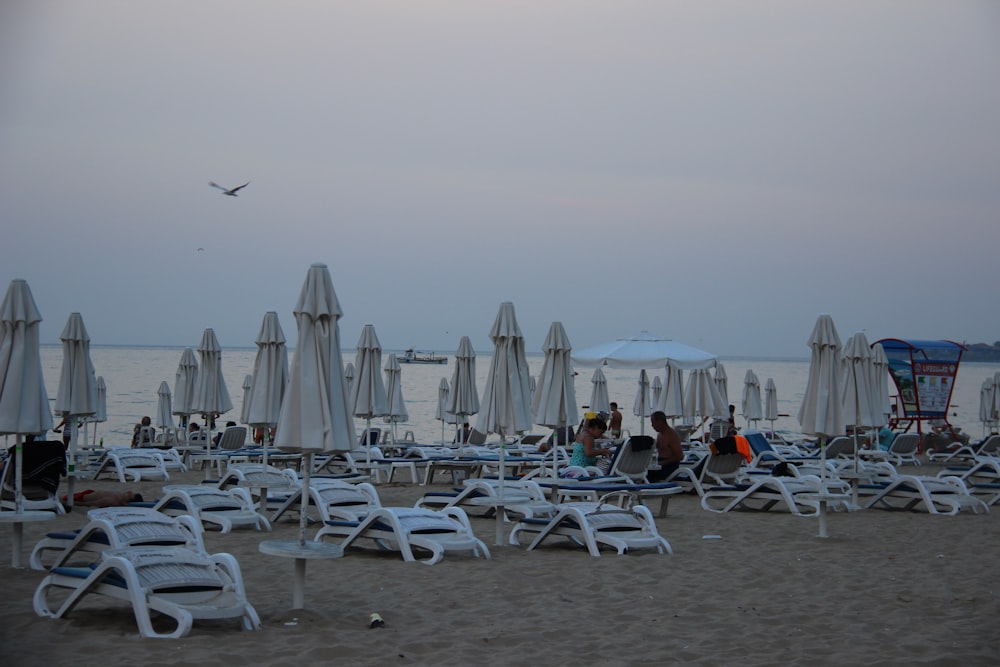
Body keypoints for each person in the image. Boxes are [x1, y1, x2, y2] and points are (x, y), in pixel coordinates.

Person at [648, 410, 684, 482]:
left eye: (653, 422)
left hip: (669, 468)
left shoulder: (671, 435)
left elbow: (680, 456)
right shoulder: (660, 434)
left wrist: (662, 463)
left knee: (646, 475)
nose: (652, 425)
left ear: (660, 422)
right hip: (660, 465)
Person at [61, 489, 143, 508]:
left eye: (130, 494)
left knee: (61, 499)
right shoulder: (119, 496)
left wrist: (71, 503)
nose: (129, 492)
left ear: (125, 503)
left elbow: (90, 504)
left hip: (80, 498)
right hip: (87, 493)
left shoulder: (112, 501)